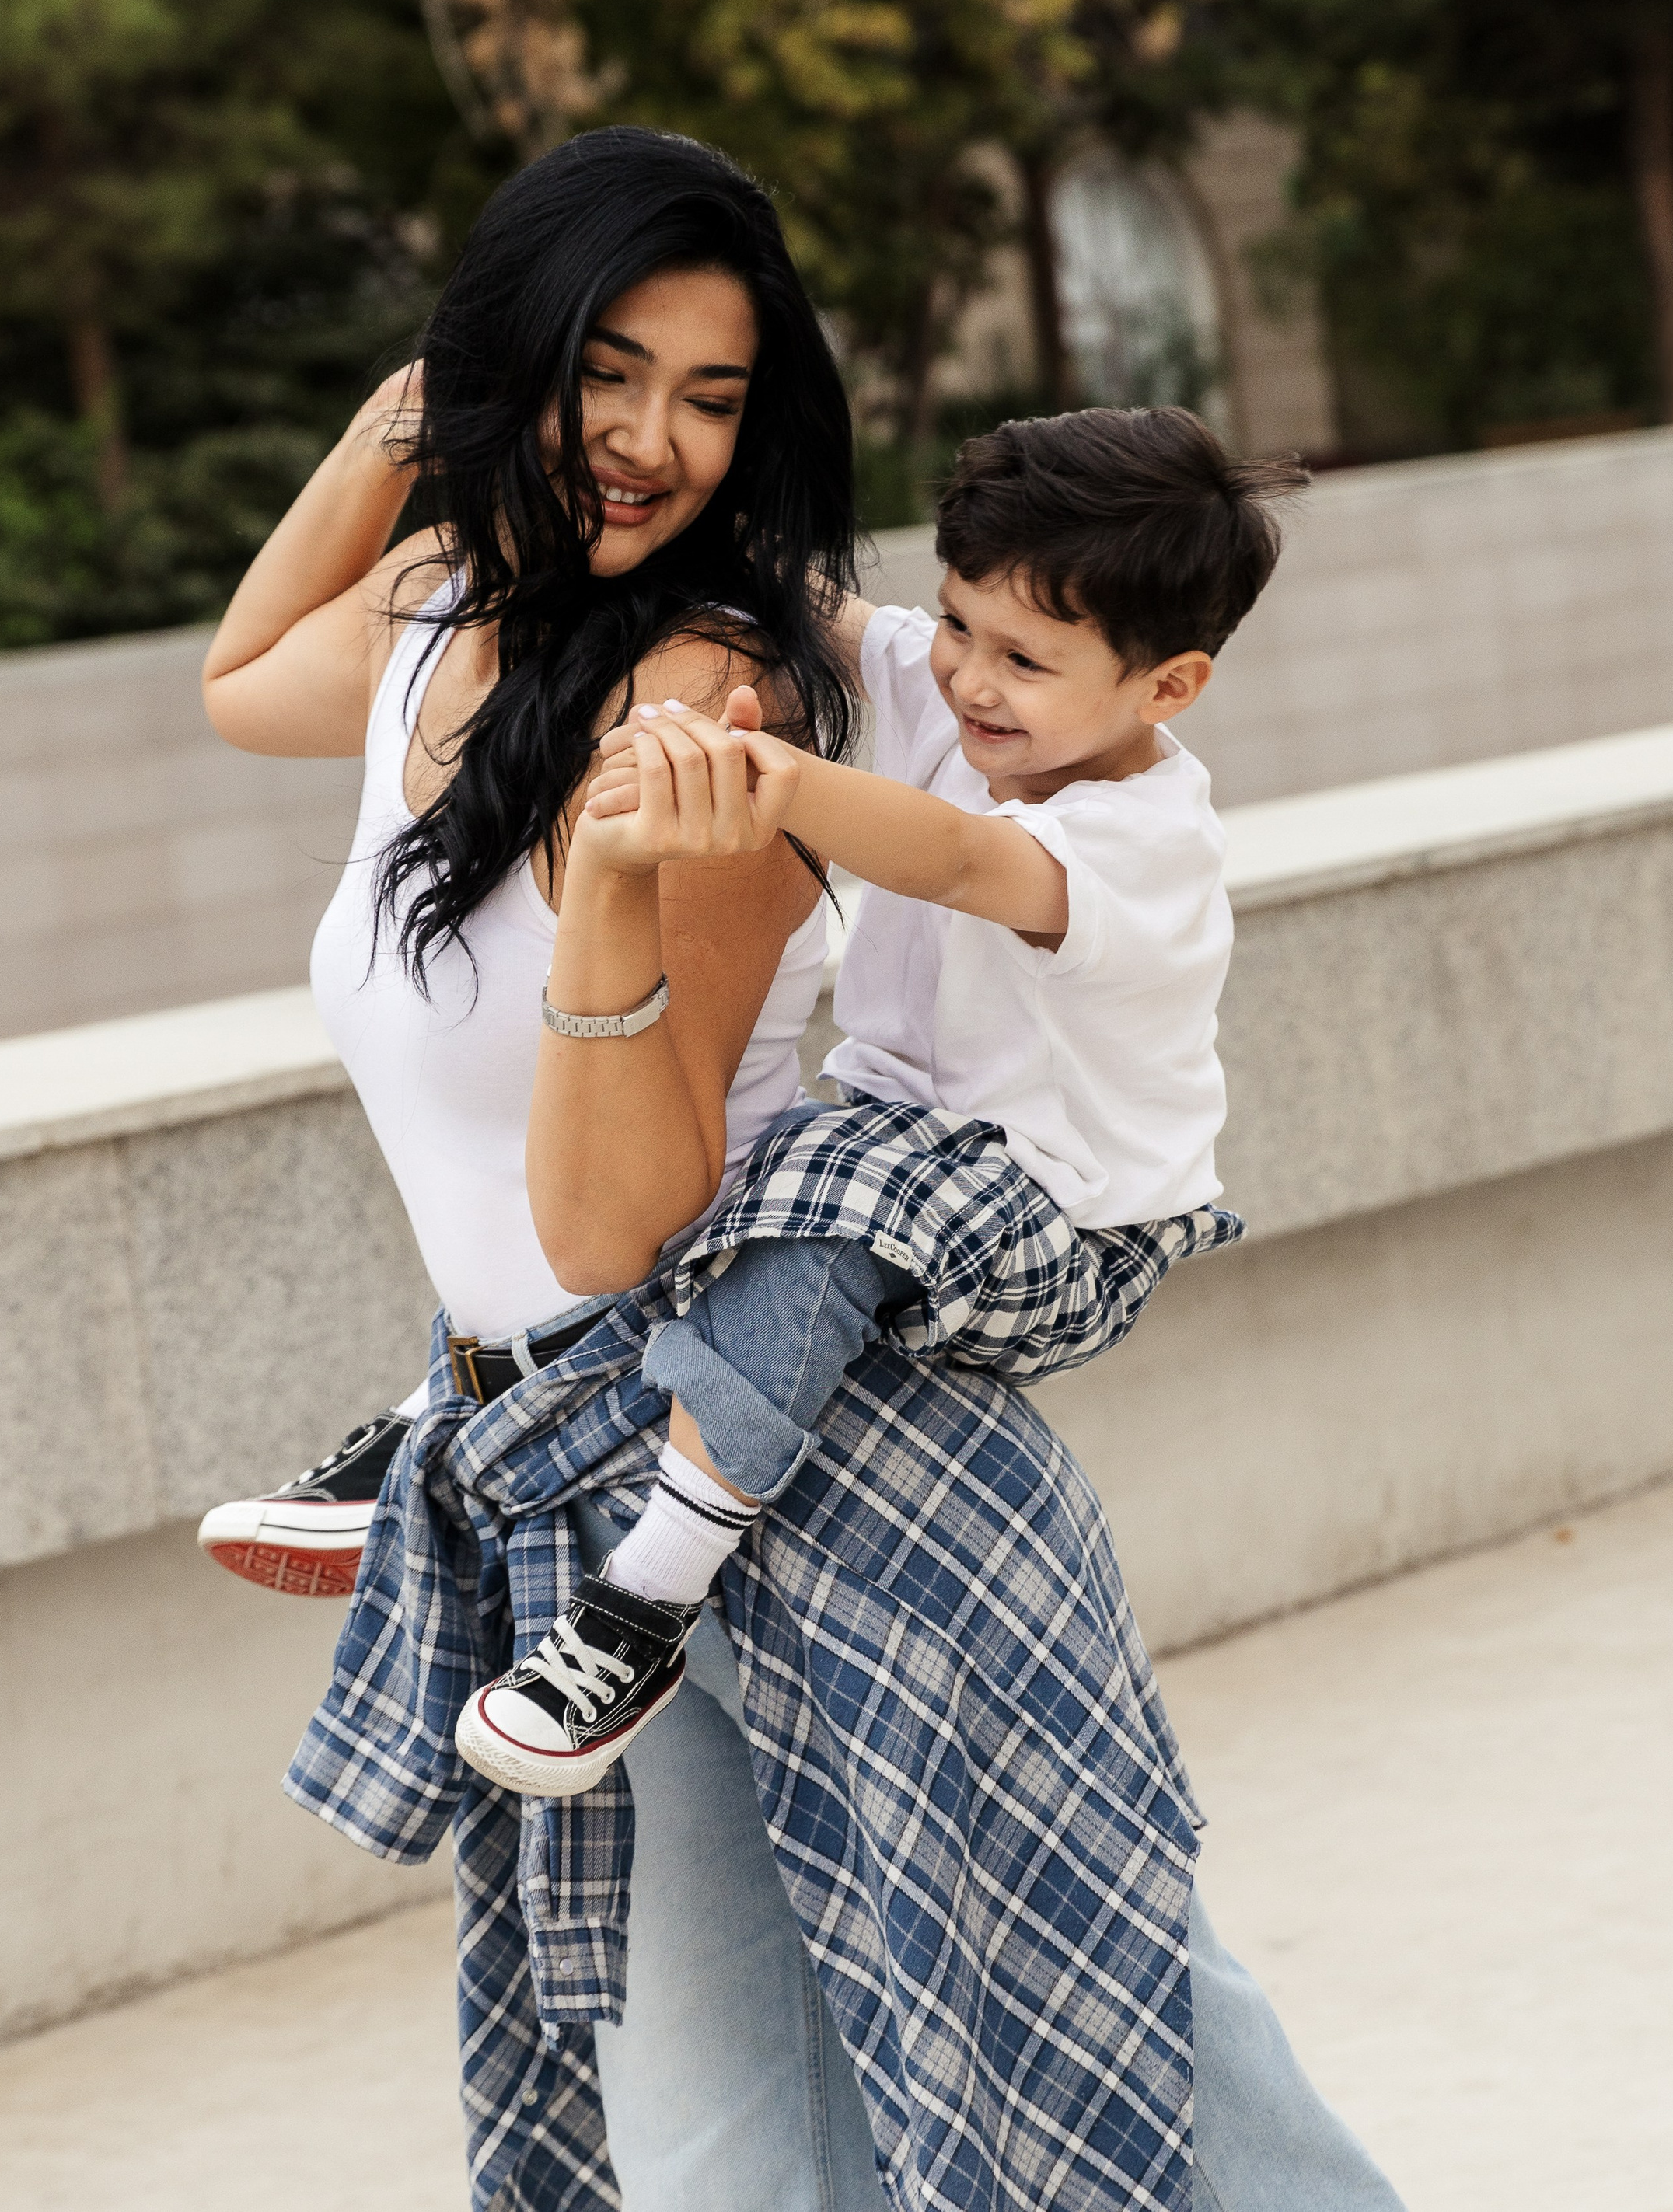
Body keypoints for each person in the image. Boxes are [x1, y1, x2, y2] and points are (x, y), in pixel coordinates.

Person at [208, 127, 1402, 2209]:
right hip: (582, 1462)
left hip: (797, 1453)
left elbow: (615, 1221)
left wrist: (605, 901)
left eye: (718, 394)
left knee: (1095, 2063)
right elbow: (233, 687)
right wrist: (385, 434)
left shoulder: (705, 692)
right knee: (774, 2130)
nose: (656, 440)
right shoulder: (435, 612)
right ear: (516, 353)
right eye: (609, 369)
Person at [456, 407, 1276, 1795]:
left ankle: (651, 1594)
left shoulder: (1146, 844)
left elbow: (963, 860)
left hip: (1062, 1230)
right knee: (713, 1181)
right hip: (896, 1172)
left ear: (1170, 686)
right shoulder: (956, 682)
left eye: (1026, 658)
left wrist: (776, 781)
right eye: (960, 624)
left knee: (834, 1192)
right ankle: (474, 1399)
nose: (970, 678)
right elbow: (829, 610)